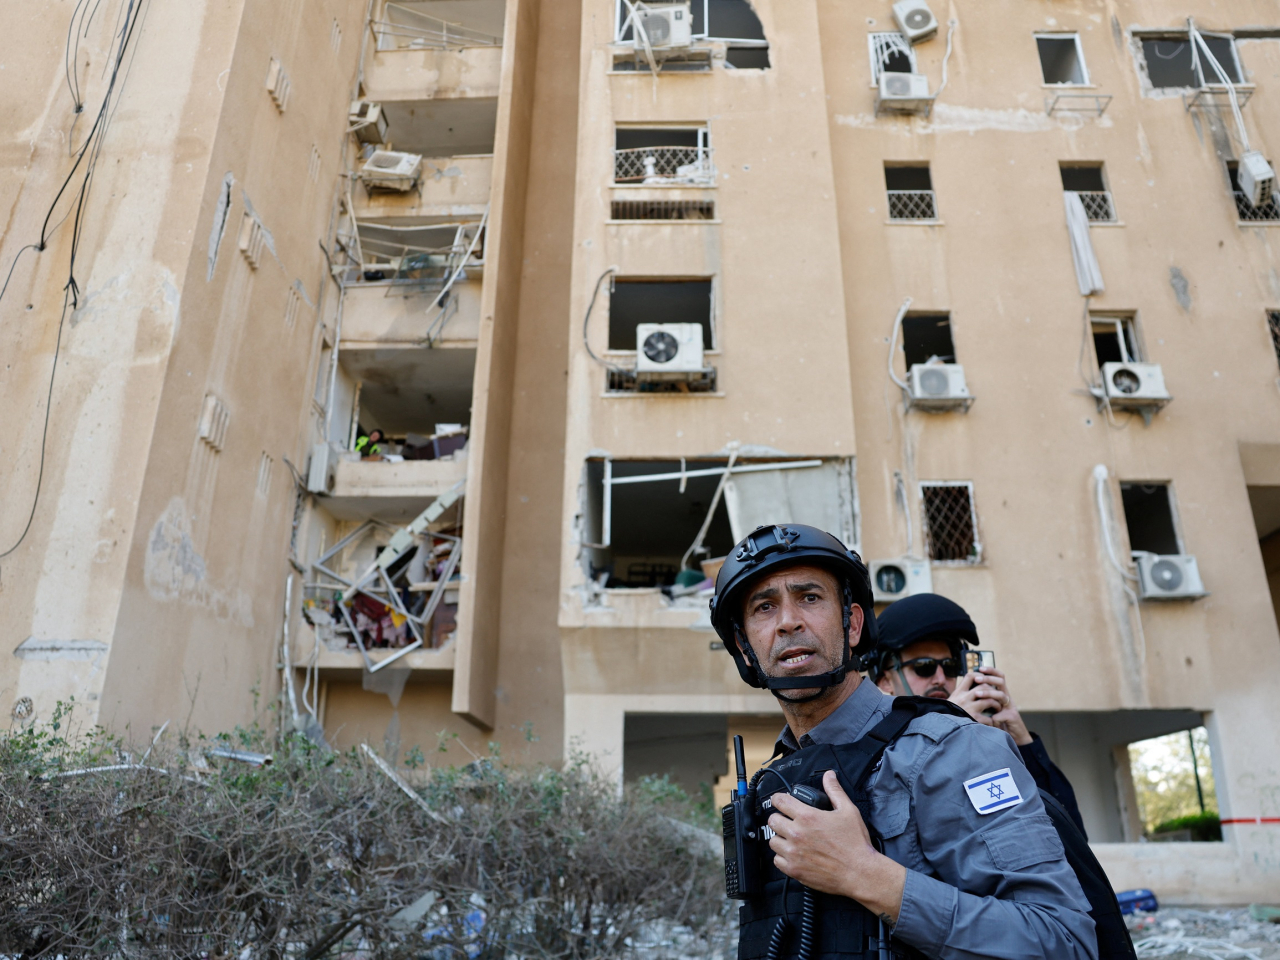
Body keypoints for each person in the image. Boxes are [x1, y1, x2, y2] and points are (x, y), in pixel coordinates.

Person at [709, 524, 1096, 960]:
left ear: (852, 624)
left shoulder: (955, 751)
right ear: (745, 648)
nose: (788, 621)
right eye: (764, 607)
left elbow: (1064, 942)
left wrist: (868, 876)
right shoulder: (767, 786)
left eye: (810, 597)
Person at [871, 593, 1087, 837]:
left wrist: (1022, 741)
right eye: (924, 667)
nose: (941, 679)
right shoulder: (874, 745)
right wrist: (944, 728)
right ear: (886, 680)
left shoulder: (978, 732)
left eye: (951, 667)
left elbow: (1072, 835)